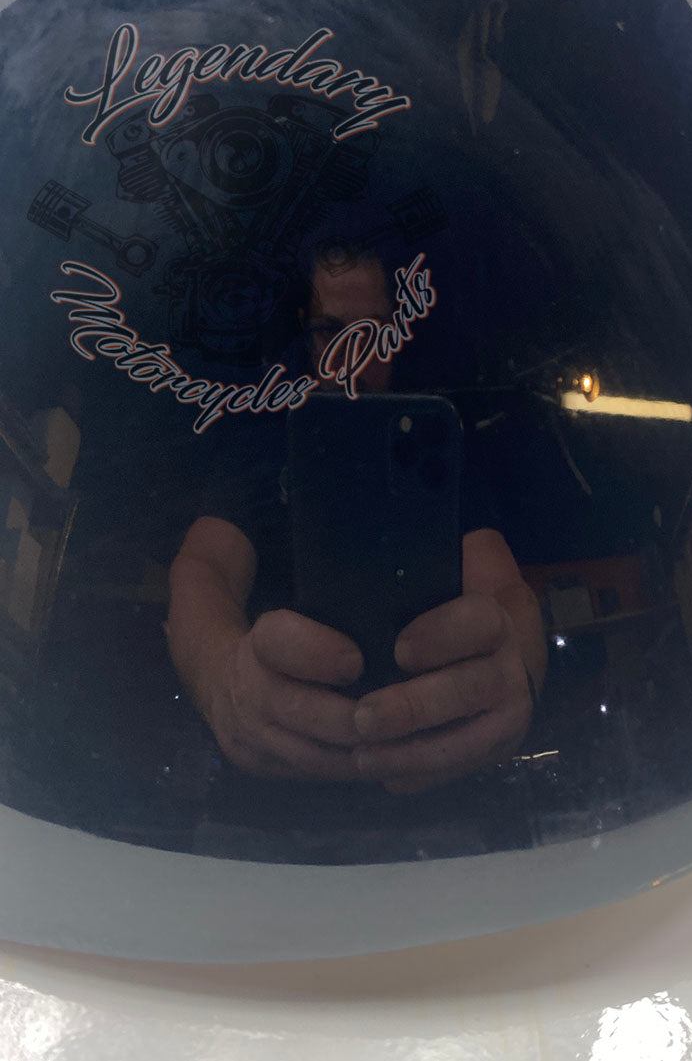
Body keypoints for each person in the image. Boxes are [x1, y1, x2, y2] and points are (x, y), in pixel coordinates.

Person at [165, 242, 547, 796]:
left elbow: (507, 592)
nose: (352, 358)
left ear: (397, 335)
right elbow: (203, 569)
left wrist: (515, 678)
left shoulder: (437, 456)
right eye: (331, 331)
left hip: (435, 799)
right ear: (305, 333)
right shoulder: (265, 446)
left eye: (372, 333)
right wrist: (220, 675)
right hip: (270, 805)